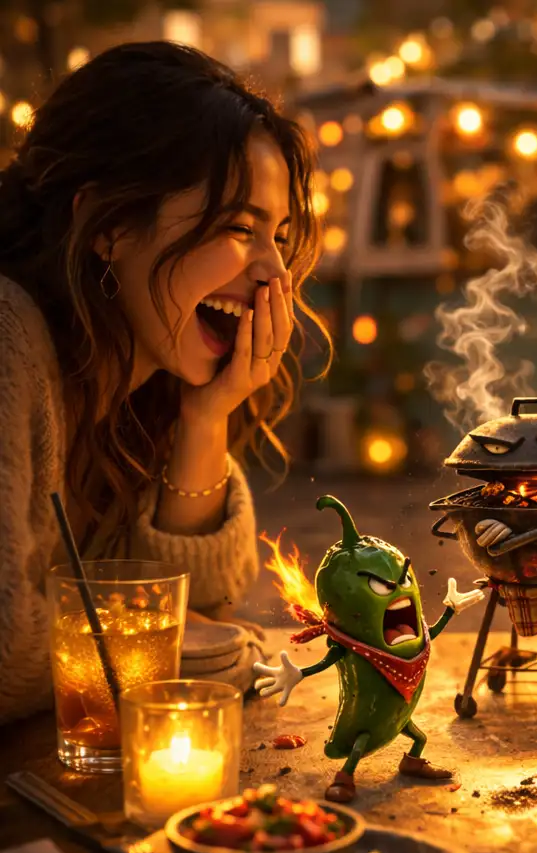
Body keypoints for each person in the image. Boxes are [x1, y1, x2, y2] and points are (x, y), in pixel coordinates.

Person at [0, 42, 329, 724]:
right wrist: (195, 652)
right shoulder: (9, 337)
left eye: (282, 236)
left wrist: (207, 420)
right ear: (113, 226)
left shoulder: (138, 388)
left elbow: (204, 598)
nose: (276, 273)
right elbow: (7, 656)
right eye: (241, 227)